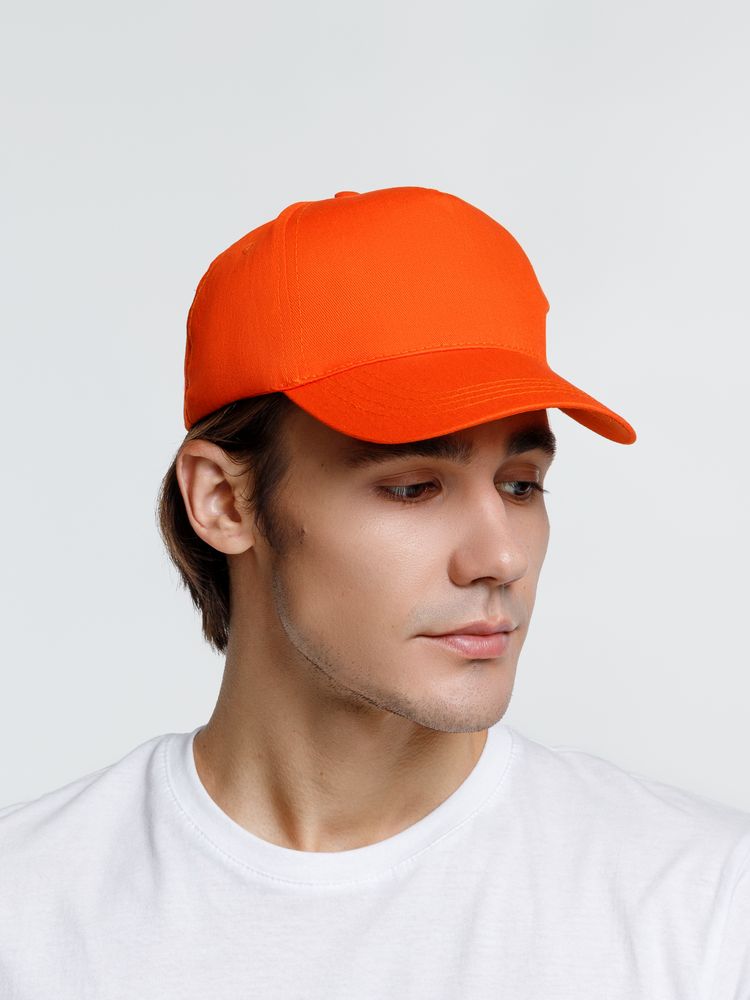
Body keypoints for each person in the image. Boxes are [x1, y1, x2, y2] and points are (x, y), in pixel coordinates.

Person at [1, 186, 748, 997]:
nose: (501, 557)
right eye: (413, 487)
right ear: (223, 502)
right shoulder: (30, 917)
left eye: (521, 485)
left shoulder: (703, 905)